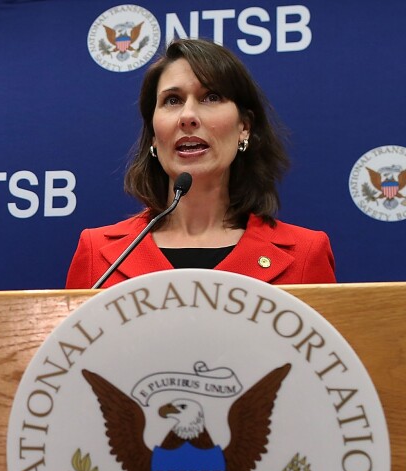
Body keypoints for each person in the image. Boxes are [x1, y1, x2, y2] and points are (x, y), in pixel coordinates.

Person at [66, 38, 335, 288]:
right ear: (153, 135)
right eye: (173, 100)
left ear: (244, 127)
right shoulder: (97, 255)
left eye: (211, 97)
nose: (188, 116)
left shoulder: (305, 254)